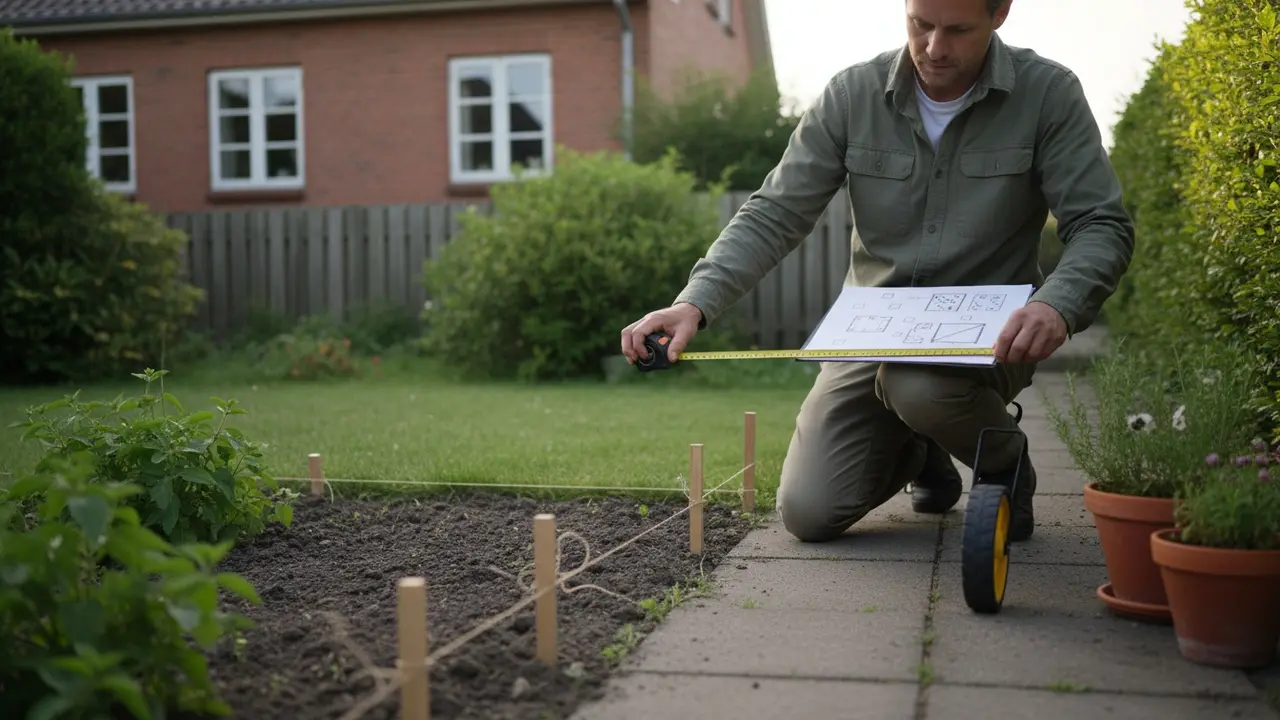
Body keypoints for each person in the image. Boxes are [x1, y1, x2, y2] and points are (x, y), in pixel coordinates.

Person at [619, 0, 1135, 543]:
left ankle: (1006, 462)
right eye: (921, 24)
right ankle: (922, 450)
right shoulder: (851, 96)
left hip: (987, 339)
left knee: (917, 385)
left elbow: (1101, 224)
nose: (934, 48)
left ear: (1000, 12)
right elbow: (775, 213)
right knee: (808, 513)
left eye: (958, 30)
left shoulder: (1048, 94)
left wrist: (1056, 305)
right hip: (870, 336)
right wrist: (694, 302)